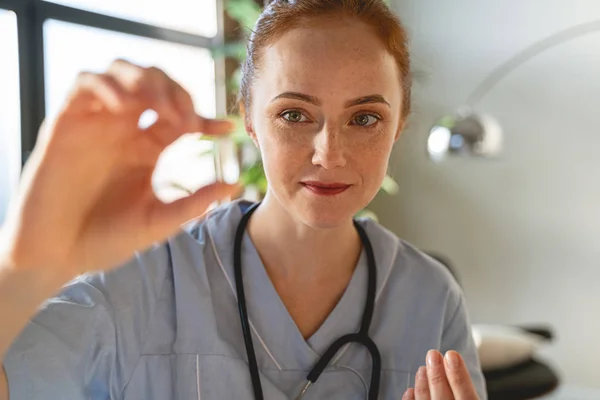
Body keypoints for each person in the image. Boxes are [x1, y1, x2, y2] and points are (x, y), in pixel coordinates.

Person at [0, 0, 487, 398]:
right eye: (294, 114)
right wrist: (27, 268)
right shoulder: (141, 281)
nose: (329, 153)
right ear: (249, 119)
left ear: (398, 126)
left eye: (364, 118)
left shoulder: (431, 299)